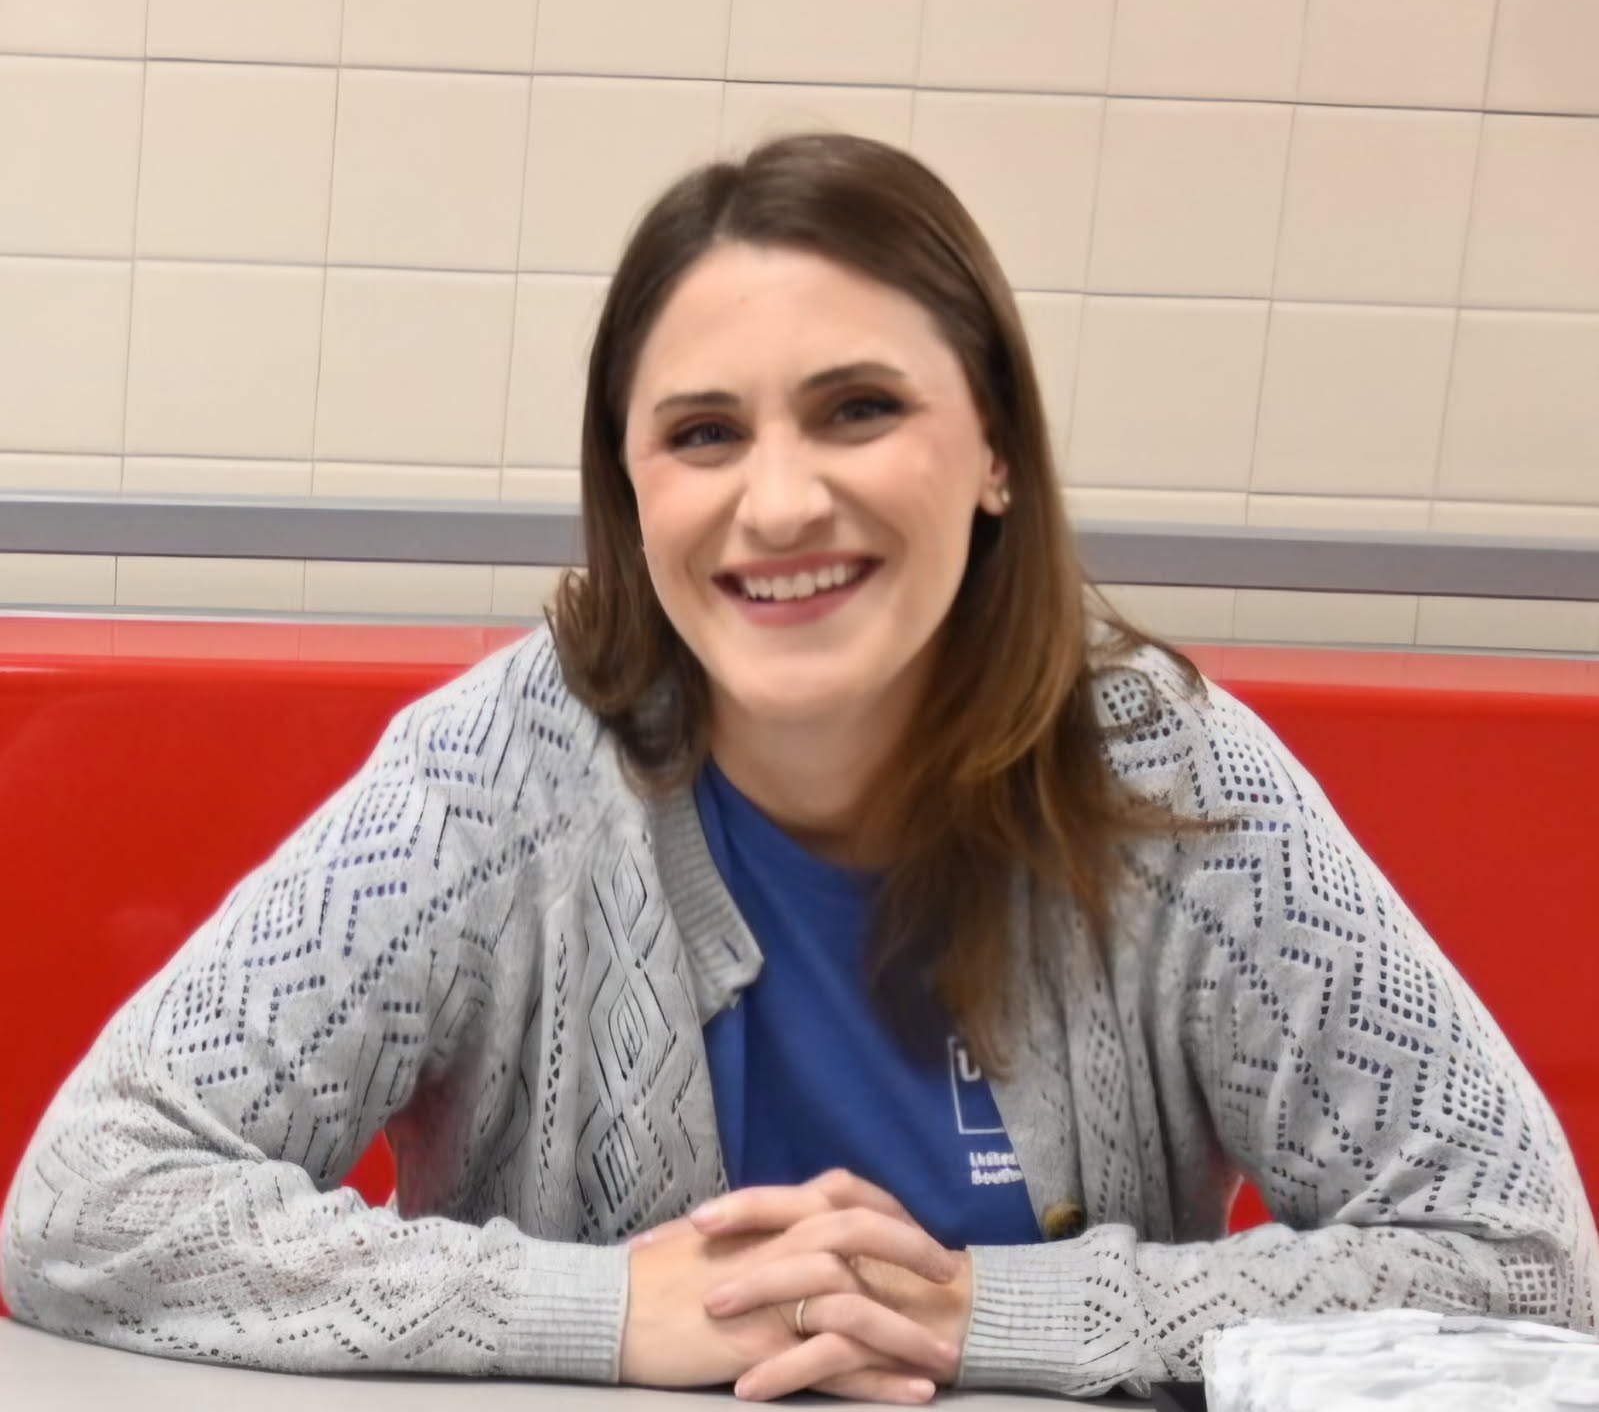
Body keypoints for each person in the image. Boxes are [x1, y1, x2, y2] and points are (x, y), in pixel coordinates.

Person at [3, 133, 1595, 1402]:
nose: (778, 505)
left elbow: (1516, 1259)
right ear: (630, 496)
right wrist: (605, 1305)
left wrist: (991, 1312)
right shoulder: (499, 772)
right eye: (702, 434)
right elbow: (92, 1202)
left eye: (858, 410)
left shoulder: (1177, 785)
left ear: (991, 455)